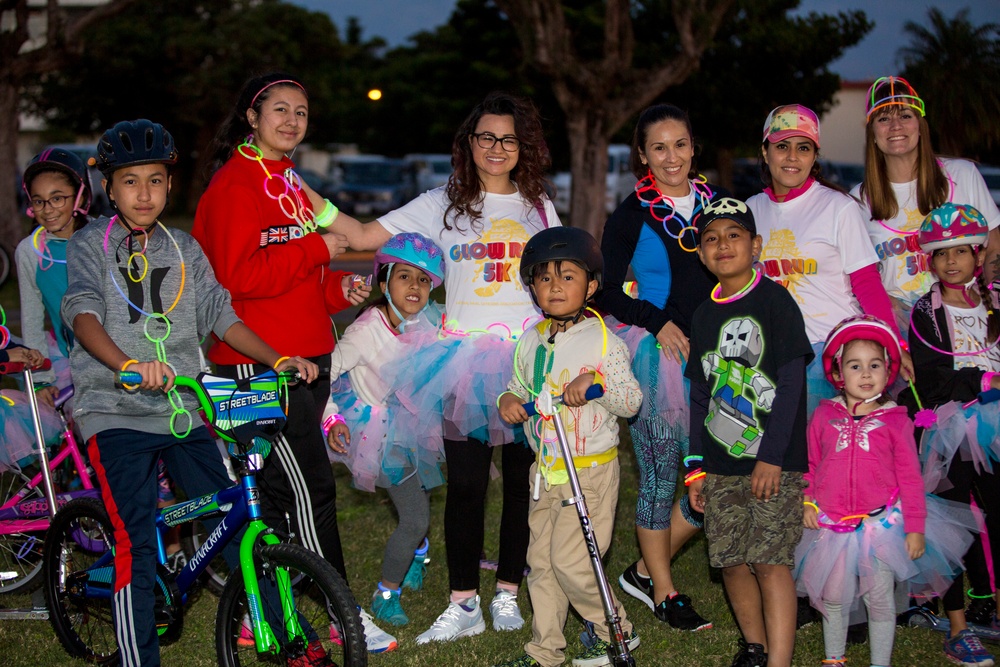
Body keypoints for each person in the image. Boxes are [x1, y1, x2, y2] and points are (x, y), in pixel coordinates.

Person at [61, 119, 319, 667]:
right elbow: (81, 311)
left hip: (183, 410)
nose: (144, 193)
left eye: (155, 180)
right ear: (109, 188)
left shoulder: (183, 248)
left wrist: (277, 358)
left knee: (240, 526)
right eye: (130, 182)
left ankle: (290, 641)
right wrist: (126, 364)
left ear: (170, 185)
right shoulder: (89, 245)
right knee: (133, 540)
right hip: (115, 411)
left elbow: (222, 316)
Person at [328, 91, 560, 643]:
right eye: (486, 137)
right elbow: (361, 237)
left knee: (524, 483)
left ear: (522, 145)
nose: (497, 148)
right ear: (469, 144)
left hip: (526, 361)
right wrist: (290, 186)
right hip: (461, 364)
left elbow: (558, 277)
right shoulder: (442, 204)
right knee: (467, 486)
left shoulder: (539, 207)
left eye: (508, 138)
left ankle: (507, 593)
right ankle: (463, 603)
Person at [191, 72, 399, 653]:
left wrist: (340, 289)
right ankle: (342, 614)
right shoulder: (235, 185)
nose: (291, 121)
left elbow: (295, 278)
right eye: (279, 110)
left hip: (307, 359)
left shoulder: (286, 182)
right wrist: (315, 248)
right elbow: (235, 279)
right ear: (251, 118)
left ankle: (271, 604)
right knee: (311, 494)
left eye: (301, 113)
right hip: (252, 368)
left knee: (283, 500)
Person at [595, 103, 721, 630]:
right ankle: (665, 593)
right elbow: (600, 291)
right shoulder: (630, 213)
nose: (672, 157)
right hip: (660, 356)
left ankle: (645, 570)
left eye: (681, 144)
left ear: (694, 148)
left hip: (718, 354)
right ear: (643, 156)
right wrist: (656, 322)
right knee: (661, 477)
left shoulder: (717, 205)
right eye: (659, 147)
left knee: (716, 480)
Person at [494, 226, 643, 667]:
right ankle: (545, 650)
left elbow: (631, 401)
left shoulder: (604, 343)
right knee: (540, 561)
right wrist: (508, 400)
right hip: (545, 471)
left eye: (567, 276)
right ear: (532, 287)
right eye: (544, 278)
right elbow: (517, 385)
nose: (555, 286)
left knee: (572, 561)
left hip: (590, 472)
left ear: (591, 285)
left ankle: (616, 628)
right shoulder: (532, 339)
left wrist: (595, 382)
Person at [795, 314, 975, 667]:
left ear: (888, 371)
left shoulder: (896, 420)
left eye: (874, 365)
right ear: (837, 373)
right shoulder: (822, 416)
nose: (865, 374)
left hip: (882, 526)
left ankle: (881, 662)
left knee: (880, 599)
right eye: (855, 365)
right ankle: (834, 659)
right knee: (833, 596)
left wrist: (916, 527)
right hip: (833, 525)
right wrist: (808, 500)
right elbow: (810, 465)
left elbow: (910, 477)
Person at [685, 197, 813, 667]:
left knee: (770, 560)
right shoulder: (701, 316)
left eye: (734, 235)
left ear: (756, 245)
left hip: (771, 461)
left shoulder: (776, 301)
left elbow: (793, 384)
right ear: (701, 254)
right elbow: (700, 394)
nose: (723, 245)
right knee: (731, 561)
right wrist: (695, 467)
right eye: (712, 238)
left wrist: (772, 456)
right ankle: (755, 647)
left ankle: (779, 660)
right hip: (720, 464)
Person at [746, 104, 912, 416]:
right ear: (765, 153)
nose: (793, 157)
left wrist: (896, 346)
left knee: (821, 458)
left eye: (803, 148)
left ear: (814, 156)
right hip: (770, 355)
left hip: (827, 354)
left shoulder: (838, 208)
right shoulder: (749, 211)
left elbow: (866, 283)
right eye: (782, 146)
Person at [322, 232, 447, 628]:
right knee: (414, 517)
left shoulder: (428, 319)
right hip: (378, 429)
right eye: (405, 277)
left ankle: (414, 554)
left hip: (414, 421)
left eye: (424, 280)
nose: (415, 287)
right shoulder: (365, 332)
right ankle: (386, 592)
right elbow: (323, 375)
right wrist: (330, 418)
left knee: (423, 487)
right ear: (384, 283)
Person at [908, 203, 1000, 666]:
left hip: (998, 428)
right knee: (956, 523)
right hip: (952, 429)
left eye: (960, 251)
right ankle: (959, 627)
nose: (950, 262)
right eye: (941, 254)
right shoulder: (926, 310)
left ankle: (994, 606)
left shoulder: (994, 300)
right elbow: (932, 380)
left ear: (979, 254)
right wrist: (984, 382)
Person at [854, 76, 1000, 331]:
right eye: (884, 118)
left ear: (920, 126)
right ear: (873, 133)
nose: (895, 126)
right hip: (900, 327)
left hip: (968, 317)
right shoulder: (857, 200)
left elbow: (995, 248)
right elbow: (858, 278)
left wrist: (994, 305)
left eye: (906, 116)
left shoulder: (963, 175)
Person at [16, 147, 92, 404]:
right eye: (39, 201)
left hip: (118, 355)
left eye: (57, 198)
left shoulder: (104, 238)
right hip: (67, 360)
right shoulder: (30, 252)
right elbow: (31, 319)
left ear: (80, 198)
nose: (47, 209)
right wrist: (41, 379)